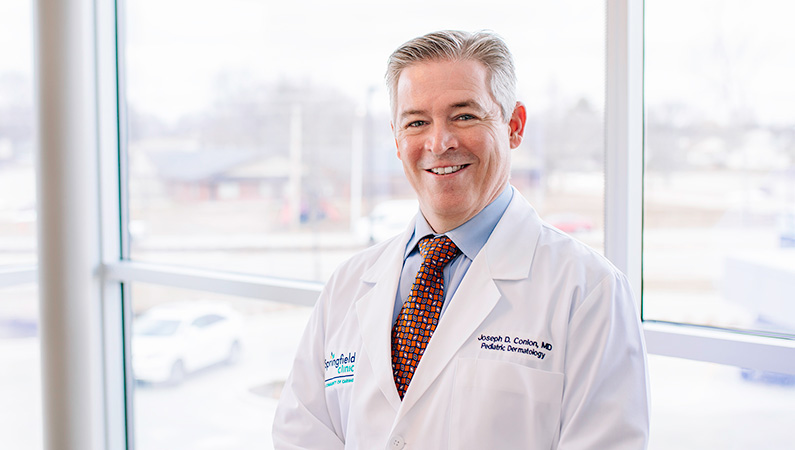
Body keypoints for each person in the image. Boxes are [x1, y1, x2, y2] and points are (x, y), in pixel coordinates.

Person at [273, 30, 649, 450]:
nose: (439, 142)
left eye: (464, 116)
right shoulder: (348, 284)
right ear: (397, 140)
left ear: (514, 126)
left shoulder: (588, 290)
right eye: (417, 122)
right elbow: (300, 432)